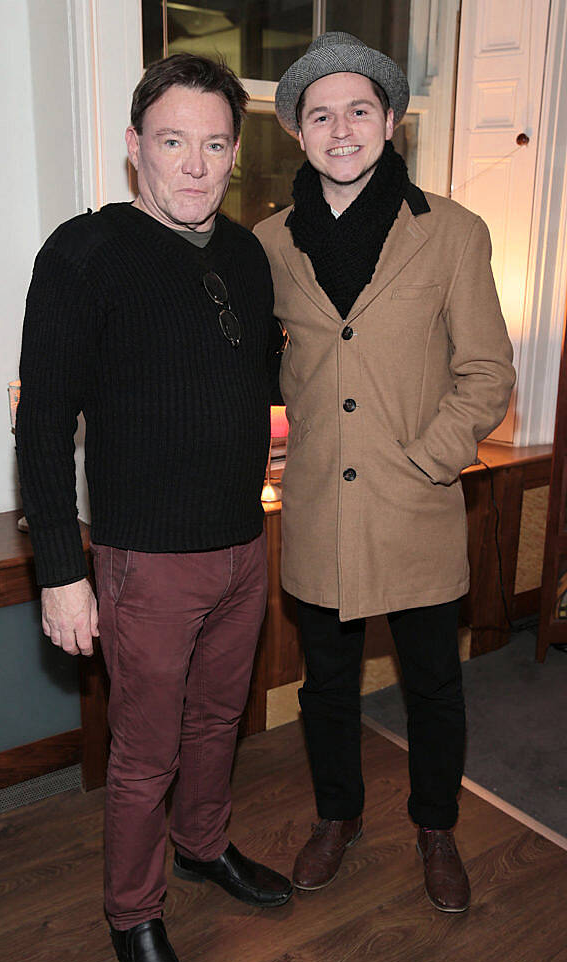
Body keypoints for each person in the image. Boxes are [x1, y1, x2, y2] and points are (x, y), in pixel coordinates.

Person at [16, 53, 292, 962]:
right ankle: (133, 913)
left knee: (219, 724)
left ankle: (205, 844)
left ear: (235, 155)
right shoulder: (84, 252)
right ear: (135, 149)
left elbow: (257, 387)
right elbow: (43, 419)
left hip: (241, 547)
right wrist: (63, 571)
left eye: (216, 144)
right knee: (145, 755)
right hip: (143, 560)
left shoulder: (249, 256)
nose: (195, 165)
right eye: (173, 142)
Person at [254, 32, 515, 913]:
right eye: (319, 113)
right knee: (325, 684)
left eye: (358, 109)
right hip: (321, 503)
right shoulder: (268, 243)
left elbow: (487, 372)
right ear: (296, 130)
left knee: (434, 680)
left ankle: (436, 826)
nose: (340, 128)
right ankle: (338, 816)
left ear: (390, 119)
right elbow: (264, 366)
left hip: (417, 505)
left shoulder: (453, 232)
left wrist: (428, 460)